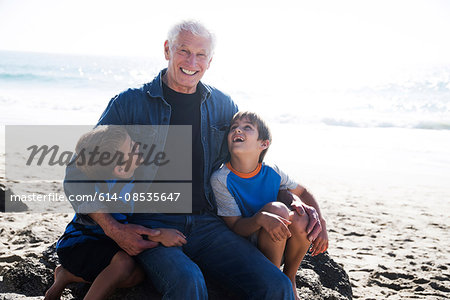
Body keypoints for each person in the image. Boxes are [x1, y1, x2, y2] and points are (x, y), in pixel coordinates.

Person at [64, 20, 323, 299]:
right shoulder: (129, 104)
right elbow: (78, 172)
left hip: (207, 224)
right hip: (151, 223)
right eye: (184, 51)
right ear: (167, 50)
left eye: (200, 55)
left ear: (210, 61)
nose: (192, 61)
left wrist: (290, 196)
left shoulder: (223, 106)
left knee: (277, 286)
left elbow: (247, 163)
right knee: (188, 282)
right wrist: (115, 229)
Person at [46, 125, 187, 300]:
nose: (138, 145)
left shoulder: (129, 181)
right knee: (123, 263)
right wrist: (158, 234)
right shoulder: (106, 190)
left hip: (103, 244)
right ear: (120, 169)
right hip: (78, 245)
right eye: (132, 147)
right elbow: (125, 231)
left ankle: (66, 276)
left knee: (136, 276)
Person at [210, 111, 329, 299]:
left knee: (301, 215)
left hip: (278, 241)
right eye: (234, 128)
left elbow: (303, 193)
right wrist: (260, 219)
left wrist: (321, 223)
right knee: (277, 209)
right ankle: (273, 280)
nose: (238, 129)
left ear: (263, 144)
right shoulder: (221, 178)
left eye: (247, 127)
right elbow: (235, 226)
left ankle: (289, 278)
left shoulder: (272, 171)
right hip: (248, 242)